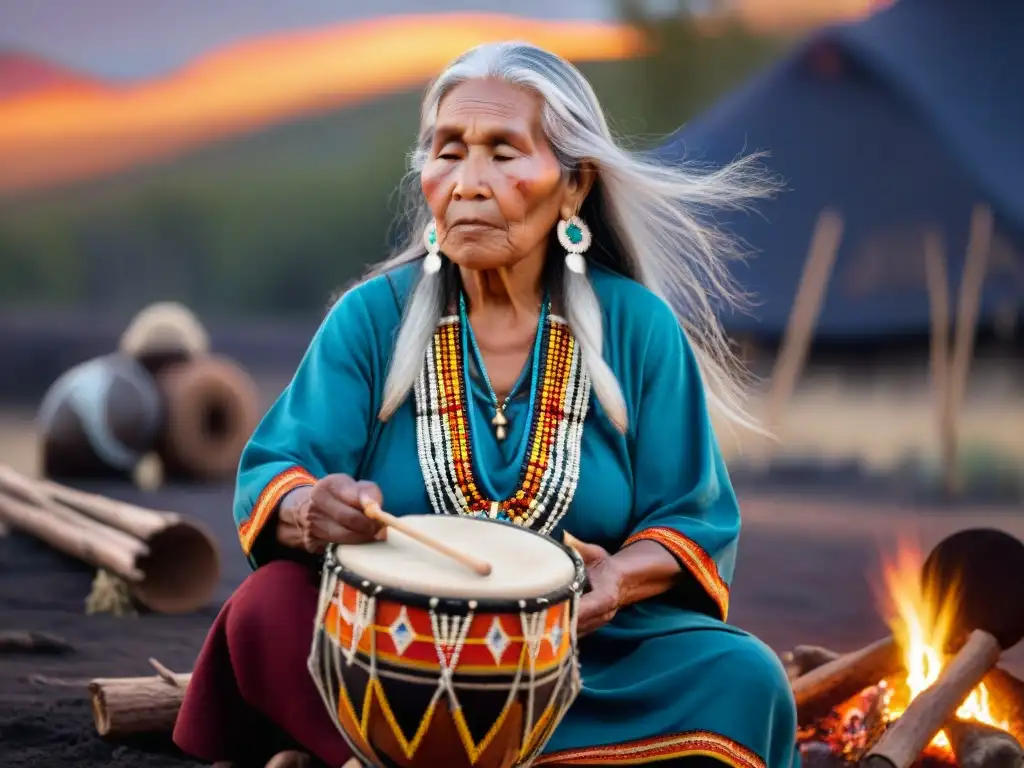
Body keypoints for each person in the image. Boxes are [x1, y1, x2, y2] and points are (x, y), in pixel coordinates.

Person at [173, 41, 796, 768]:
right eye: (447, 151)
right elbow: (280, 468)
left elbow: (690, 516)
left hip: (577, 659)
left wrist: (616, 580)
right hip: (396, 653)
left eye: (504, 153)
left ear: (573, 185)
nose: (469, 181)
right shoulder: (371, 318)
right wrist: (312, 509)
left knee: (746, 677)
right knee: (267, 609)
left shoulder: (637, 328)